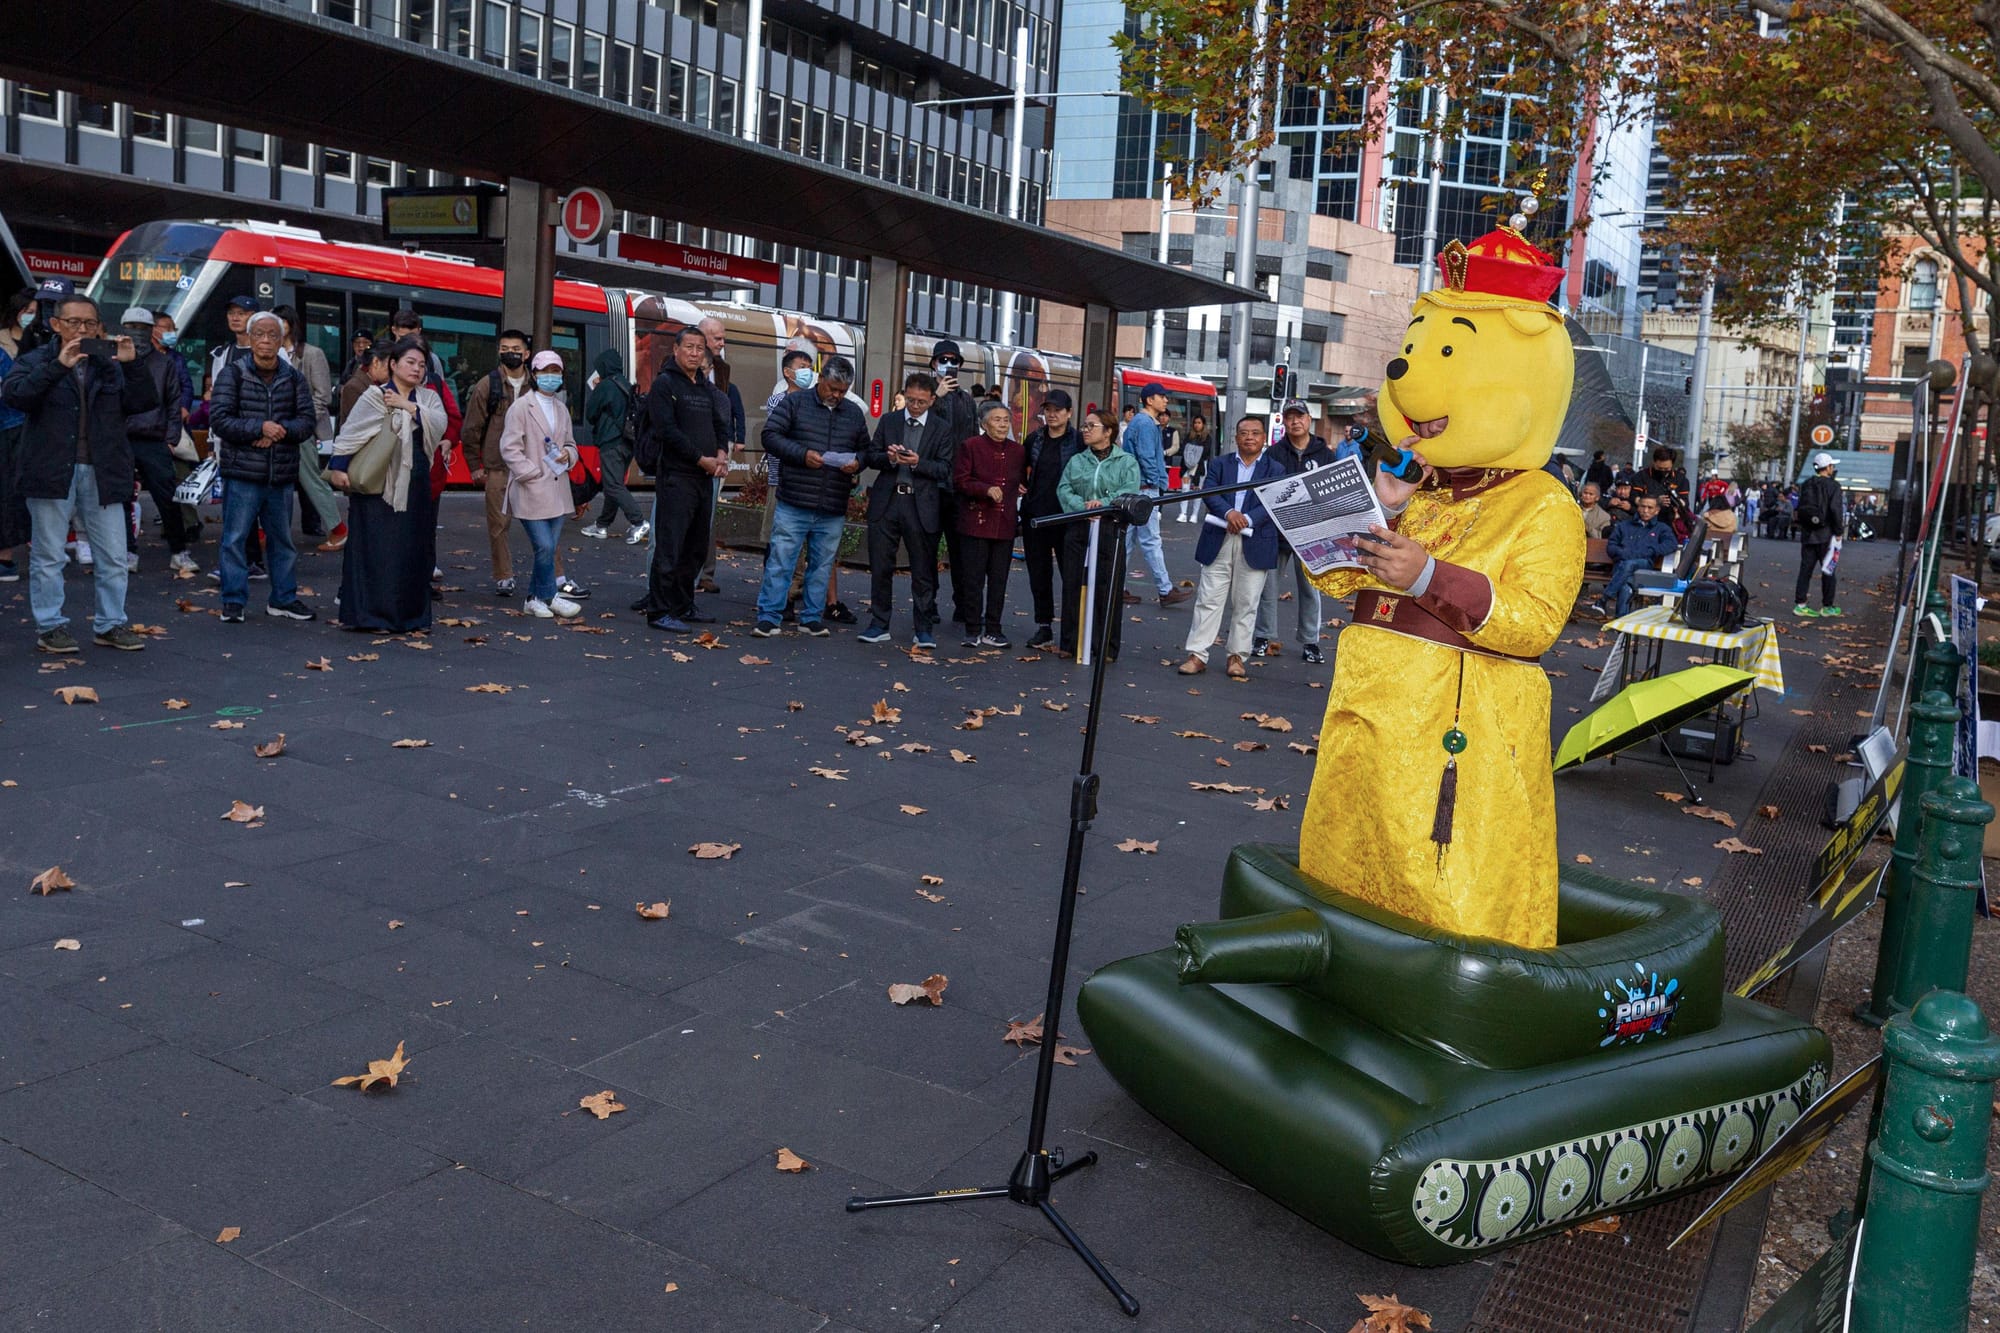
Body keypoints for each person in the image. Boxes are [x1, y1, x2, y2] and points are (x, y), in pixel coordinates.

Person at [1, 294, 158, 652]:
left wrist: (133, 365)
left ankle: (111, 623)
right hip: (51, 469)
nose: (82, 329)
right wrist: (58, 365)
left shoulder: (110, 363)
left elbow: (144, 403)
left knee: (114, 555)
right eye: (73, 322)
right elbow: (16, 396)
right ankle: (51, 626)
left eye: (90, 323)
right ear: (56, 324)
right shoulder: (37, 358)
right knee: (49, 555)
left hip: (104, 469)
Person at [328, 338, 448, 632]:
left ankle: (410, 617)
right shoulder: (374, 396)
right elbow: (350, 434)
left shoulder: (428, 398)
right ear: (392, 364)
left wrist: (406, 405)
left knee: (411, 549)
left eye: (421, 365)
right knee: (375, 549)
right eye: (410, 362)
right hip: (378, 483)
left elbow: (440, 422)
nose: (417, 369)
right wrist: (337, 468)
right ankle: (371, 616)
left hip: (416, 483)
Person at [209, 312, 316, 624]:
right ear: (250, 339)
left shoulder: (294, 377)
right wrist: (259, 428)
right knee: (234, 539)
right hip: (242, 472)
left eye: (273, 334)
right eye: (260, 334)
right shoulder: (233, 374)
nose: (266, 341)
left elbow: (307, 421)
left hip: (280, 473)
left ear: (282, 339)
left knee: (282, 541)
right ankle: (233, 601)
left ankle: (283, 598)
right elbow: (221, 419)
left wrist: (276, 430)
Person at [753, 355, 866, 638]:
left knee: (822, 564)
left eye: (842, 391)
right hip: (795, 498)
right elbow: (770, 436)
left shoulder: (852, 413)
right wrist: (802, 455)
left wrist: (858, 462)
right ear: (820, 380)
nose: (836, 396)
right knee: (781, 559)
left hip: (833, 501)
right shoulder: (794, 403)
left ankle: (812, 617)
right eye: (832, 389)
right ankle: (769, 616)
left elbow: (867, 449)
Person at [1178, 416, 1284, 679]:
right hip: (1220, 535)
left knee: (1246, 602)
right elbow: (1209, 492)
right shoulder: (1219, 463)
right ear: (1235, 437)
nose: (1249, 437)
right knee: (1208, 599)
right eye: (1244, 432)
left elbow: (1276, 501)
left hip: (1256, 539)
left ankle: (1237, 656)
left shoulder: (1275, 469)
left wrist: (1247, 519)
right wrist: (1229, 514)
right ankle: (1197, 655)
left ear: (1264, 438)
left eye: (1255, 433)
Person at [640, 326, 730, 632]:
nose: (694, 353)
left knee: (695, 546)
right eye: (689, 347)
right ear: (676, 350)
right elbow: (667, 430)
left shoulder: (703, 386)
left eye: (699, 348)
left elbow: (720, 422)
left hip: (705, 477)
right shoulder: (665, 384)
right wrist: (699, 459)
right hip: (677, 477)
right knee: (670, 545)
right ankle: (659, 609)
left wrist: (721, 452)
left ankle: (683, 604)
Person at [858, 370, 955, 648]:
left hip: (920, 503)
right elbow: (871, 456)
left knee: (923, 569)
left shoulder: (941, 428)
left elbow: (945, 469)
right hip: (887, 502)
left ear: (932, 400)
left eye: (921, 402)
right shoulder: (889, 421)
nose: (914, 406)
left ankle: (923, 628)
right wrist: (888, 459)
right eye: (910, 400)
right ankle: (879, 623)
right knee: (880, 565)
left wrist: (916, 462)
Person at [498, 350, 584, 619]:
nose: (551, 376)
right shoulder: (521, 407)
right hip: (531, 489)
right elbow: (509, 448)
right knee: (545, 547)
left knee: (547, 549)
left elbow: (571, 443)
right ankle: (549, 595)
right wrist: (531, 472)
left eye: (555, 371)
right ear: (534, 374)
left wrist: (568, 455)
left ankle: (535, 598)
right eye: (545, 371)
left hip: (558, 489)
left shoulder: (561, 408)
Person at [1253, 400, 1336, 663]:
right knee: (1268, 586)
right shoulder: (1274, 454)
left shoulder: (1325, 454)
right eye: (1289, 417)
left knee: (1311, 590)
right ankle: (1264, 636)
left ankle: (1310, 641)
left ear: (1309, 419)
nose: (1294, 421)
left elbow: (1333, 491)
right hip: (1277, 533)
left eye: (1299, 416)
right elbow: (1263, 491)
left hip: (1310, 532)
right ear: (1283, 422)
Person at [1056, 408, 1142, 660]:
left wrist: (1102, 504)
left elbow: (1129, 491)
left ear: (1108, 432)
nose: (1085, 430)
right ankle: (1069, 643)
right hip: (1078, 525)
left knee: (1108, 586)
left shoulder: (1126, 462)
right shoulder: (1077, 460)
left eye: (1091, 426)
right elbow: (1064, 488)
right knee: (1072, 582)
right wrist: (1080, 506)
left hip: (1109, 528)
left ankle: (1105, 646)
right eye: (1084, 425)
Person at [117, 306, 194, 575]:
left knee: (168, 498)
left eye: (142, 328)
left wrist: (171, 438)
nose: (136, 334)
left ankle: (179, 551)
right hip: (121, 437)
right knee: (121, 498)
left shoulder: (165, 364)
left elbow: (174, 402)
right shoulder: (113, 359)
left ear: (151, 332)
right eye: (131, 328)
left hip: (154, 438)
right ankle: (127, 550)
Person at [953, 400, 1029, 648]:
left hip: (1004, 523)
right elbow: (960, 481)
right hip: (976, 521)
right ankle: (972, 628)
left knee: (999, 579)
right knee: (973, 578)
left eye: (1006, 420)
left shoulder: (1018, 451)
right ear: (984, 424)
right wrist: (985, 489)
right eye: (997, 420)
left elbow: (1022, 479)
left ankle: (994, 629)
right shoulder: (971, 446)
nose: (1003, 425)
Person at [270, 304, 344, 551]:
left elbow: (323, 395)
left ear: (291, 324)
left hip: (300, 429)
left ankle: (338, 528)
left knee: (311, 478)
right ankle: (265, 533)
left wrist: (302, 423)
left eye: (282, 321)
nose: (277, 327)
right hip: (274, 427)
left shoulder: (312, 354)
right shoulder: (269, 352)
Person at [1019, 388, 1081, 648]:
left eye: (1058, 410)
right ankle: (1043, 626)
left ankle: (1073, 630)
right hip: (1036, 516)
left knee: (1072, 575)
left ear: (1069, 413)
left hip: (1067, 517)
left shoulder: (1079, 441)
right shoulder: (1034, 439)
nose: (1052, 415)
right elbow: (1022, 470)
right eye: (1048, 410)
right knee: (1039, 574)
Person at [1122, 381, 1192, 608]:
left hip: (1134, 488)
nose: (1166, 400)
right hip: (1145, 490)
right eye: (1162, 396)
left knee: (1127, 541)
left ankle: (1116, 586)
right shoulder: (1145, 423)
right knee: (1151, 540)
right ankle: (1165, 589)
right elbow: (1147, 456)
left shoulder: (1139, 422)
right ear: (1149, 400)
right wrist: (1156, 481)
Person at [926, 340, 980, 626]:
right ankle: (929, 603)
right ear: (934, 364)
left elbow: (971, 440)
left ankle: (963, 604)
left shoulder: (967, 400)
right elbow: (922, 430)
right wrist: (937, 396)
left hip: (958, 487)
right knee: (928, 546)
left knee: (961, 551)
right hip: (933, 485)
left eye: (954, 361)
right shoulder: (929, 396)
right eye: (944, 360)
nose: (950, 365)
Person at [697, 315, 747, 599]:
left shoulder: (723, 370)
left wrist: (727, 445)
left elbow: (728, 409)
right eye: (718, 338)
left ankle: (706, 574)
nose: (722, 343)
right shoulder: (678, 367)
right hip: (691, 453)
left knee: (710, 513)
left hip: (716, 448)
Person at [580, 349, 649, 543]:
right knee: (614, 483)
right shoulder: (626, 384)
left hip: (611, 441)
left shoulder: (606, 386)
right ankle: (602, 525)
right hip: (628, 442)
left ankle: (639, 521)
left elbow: (591, 414)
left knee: (612, 485)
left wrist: (597, 390)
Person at [0, 287, 35, 582]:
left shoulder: (45, 345)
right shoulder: (2, 344)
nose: (32, 318)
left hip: (36, 426)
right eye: (28, 312)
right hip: (8, 426)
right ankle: (6, 555)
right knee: (8, 491)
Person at [1604, 493, 1677, 617]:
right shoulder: (1624, 526)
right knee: (1626, 584)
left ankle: (1604, 599)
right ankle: (1621, 621)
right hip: (1621, 566)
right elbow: (1611, 546)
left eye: (1650, 508)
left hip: (1644, 567)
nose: (1645, 510)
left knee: (1630, 564)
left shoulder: (1661, 528)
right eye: (1642, 506)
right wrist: (1623, 553)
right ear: (1638, 507)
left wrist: (1652, 550)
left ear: (1657, 511)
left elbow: (1671, 544)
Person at [1793, 451, 1845, 617]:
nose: (1833, 468)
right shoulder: (1833, 486)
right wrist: (1838, 531)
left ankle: (1800, 604)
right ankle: (1827, 606)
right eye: (1832, 465)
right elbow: (1836, 510)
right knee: (1828, 570)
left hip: (1808, 533)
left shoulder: (1806, 484)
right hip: (1826, 534)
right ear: (1828, 467)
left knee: (1805, 570)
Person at [1173, 410, 1212, 519]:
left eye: (1199, 422)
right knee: (1185, 489)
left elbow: (1206, 452)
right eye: (1195, 422)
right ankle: (1183, 513)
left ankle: (1194, 514)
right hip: (1186, 465)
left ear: (1203, 424)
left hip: (1200, 467)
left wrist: (1193, 451)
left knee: (1197, 490)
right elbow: (1183, 449)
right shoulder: (1188, 436)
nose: (1197, 425)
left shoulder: (1207, 438)